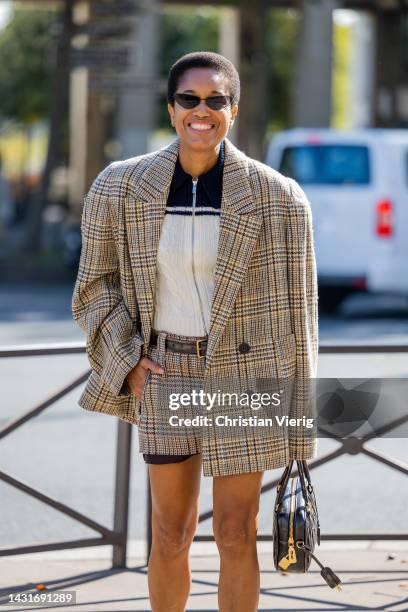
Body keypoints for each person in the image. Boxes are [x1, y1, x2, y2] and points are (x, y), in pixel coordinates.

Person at [72, 51, 319, 612]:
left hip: (246, 378)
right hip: (164, 370)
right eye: (189, 99)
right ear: (171, 107)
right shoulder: (121, 186)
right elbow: (96, 286)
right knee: (170, 532)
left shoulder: (279, 198)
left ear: (234, 109)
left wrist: (295, 422)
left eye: (215, 100)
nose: (201, 111)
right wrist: (128, 360)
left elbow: (297, 320)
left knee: (236, 532)